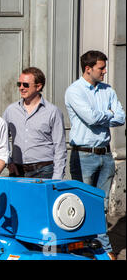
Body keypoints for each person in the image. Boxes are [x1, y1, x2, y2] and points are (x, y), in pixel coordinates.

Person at [65, 50, 125, 260]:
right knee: (82, 204)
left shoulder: (107, 90)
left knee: (102, 203)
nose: (105, 71)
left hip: (105, 154)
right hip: (83, 155)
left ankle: (98, 246)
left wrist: (106, 115)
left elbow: (121, 117)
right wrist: (109, 114)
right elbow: (90, 117)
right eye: (101, 68)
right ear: (88, 69)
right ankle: (88, 248)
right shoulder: (75, 91)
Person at [3, 67, 67, 179]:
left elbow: (60, 147)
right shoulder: (11, 110)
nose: (21, 88)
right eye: (19, 84)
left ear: (38, 86)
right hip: (18, 172)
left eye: (26, 85)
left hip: (44, 171)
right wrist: (8, 161)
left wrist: (57, 178)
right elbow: (1, 138)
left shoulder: (52, 111)